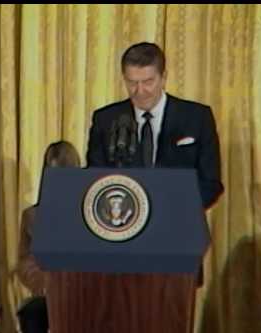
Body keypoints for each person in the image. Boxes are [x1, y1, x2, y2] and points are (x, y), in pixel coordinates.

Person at [86, 42, 224, 210]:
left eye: (148, 81)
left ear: (163, 77)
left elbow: (210, 182)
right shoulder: (105, 119)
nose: (140, 90)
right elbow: (95, 179)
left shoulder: (197, 117)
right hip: (124, 223)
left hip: (180, 221)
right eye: (132, 82)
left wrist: (176, 209)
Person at [17, 141, 81, 333]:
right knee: (31, 315)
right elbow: (26, 261)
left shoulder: (94, 216)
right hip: (49, 294)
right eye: (53, 173)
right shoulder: (32, 216)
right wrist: (44, 283)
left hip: (85, 294)